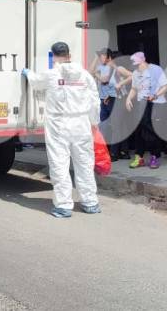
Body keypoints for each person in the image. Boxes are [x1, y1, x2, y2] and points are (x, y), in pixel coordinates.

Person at [22, 42, 101, 218]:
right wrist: (94, 121)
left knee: (60, 164)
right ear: (69, 54)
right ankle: (90, 202)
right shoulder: (85, 75)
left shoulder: (52, 74)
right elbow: (95, 100)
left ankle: (64, 205)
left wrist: (28, 73)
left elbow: (35, 82)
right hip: (81, 124)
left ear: (54, 56)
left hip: (59, 125)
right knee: (84, 164)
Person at [125, 52, 167, 169]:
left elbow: (166, 86)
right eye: (134, 65)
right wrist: (128, 98)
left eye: (137, 64)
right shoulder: (135, 73)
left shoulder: (156, 70)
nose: (136, 67)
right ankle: (139, 157)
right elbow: (134, 88)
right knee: (138, 130)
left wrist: (155, 95)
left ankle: (155, 156)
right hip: (141, 103)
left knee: (151, 130)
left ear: (143, 61)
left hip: (156, 103)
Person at [91, 48, 121, 160]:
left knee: (114, 126)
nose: (100, 58)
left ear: (108, 56)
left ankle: (114, 153)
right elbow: (90, 72)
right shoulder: (100, 67)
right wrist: (95, 57)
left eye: (102, 56)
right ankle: (105, 151)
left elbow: (105, 80)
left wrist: (96, 75)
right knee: (103, 127)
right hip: (103, 100)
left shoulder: (112, 67)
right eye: (100, 56)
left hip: (113, 99)